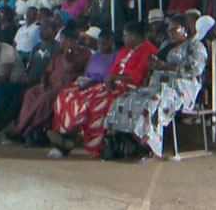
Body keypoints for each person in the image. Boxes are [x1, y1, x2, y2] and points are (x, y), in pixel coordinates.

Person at [49, 21, 157, 158]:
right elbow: (112, 71)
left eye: (125, 36)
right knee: (70, 96)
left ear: (134, 37)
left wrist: (112, 79)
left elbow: (137, 77)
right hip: (113, 86)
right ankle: (67, 134)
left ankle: (73, 138)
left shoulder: (149, 51)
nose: (123, 39)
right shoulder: (125, 51)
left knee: (94, 103)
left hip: (132, 90)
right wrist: (109, 82)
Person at [105, 15, 208, 158]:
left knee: (152, 102)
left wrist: (166, 66)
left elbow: (194, 69)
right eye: (169, 30)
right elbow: (158, 65)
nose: (170, 33)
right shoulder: (166, 45)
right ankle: (120, 139)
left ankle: (144, 144)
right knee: (124, 100)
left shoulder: (195, 46)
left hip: (180, 88)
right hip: (157, 85)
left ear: (185, 30)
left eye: (174, 30)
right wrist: (154, 65)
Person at [6, 25, 90, 143]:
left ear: (71, 41)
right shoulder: (57, 54)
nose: (60, 42)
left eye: (62, 40)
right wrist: (43, 83)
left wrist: (67, 53)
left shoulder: (84, 53)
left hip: (67, 86)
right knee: (30, 93)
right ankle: (26, 128)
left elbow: (70, 68)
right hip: (51, 84)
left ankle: (22, 129)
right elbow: (47, 72)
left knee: (45, 98)